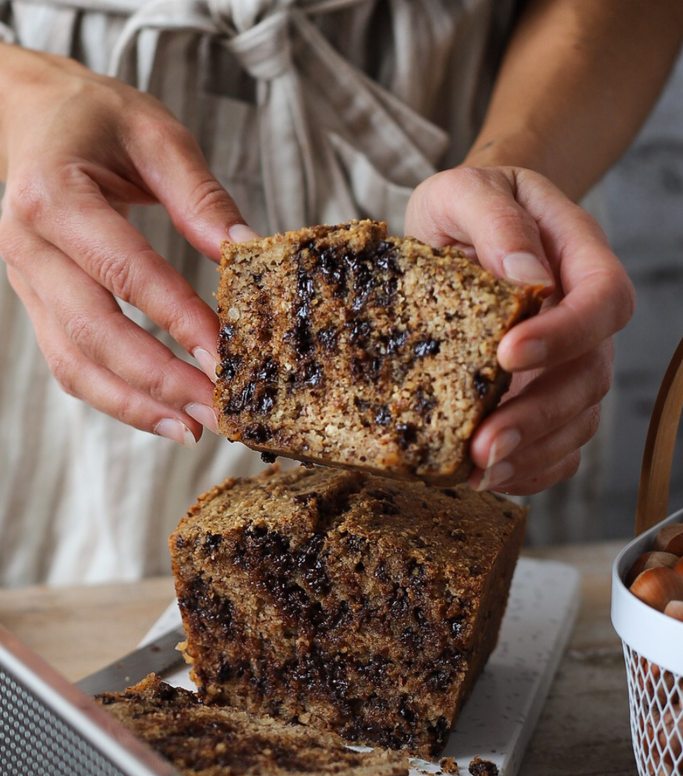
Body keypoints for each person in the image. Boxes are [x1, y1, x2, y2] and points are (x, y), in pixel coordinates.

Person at [0, 0, 681, 585]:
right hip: (80, 175)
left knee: (436, 561)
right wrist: (23, 98)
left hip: (473, 107)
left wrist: (509, 188)